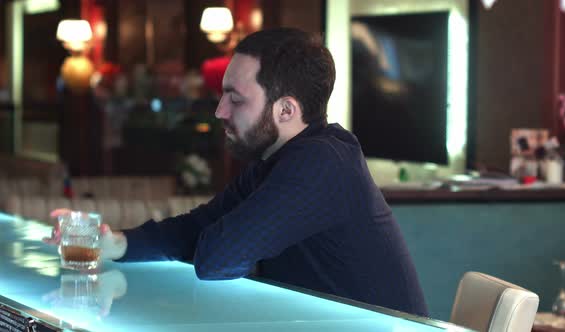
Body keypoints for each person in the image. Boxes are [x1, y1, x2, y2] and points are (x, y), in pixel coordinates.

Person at [45, 28, 428, 316]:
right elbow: (200, 226)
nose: (220, 112)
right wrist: (117, 243)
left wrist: (220, 237)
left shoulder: (323, 163)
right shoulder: (279, 160)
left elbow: (217, 258)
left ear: (286, 110)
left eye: (236, 99)